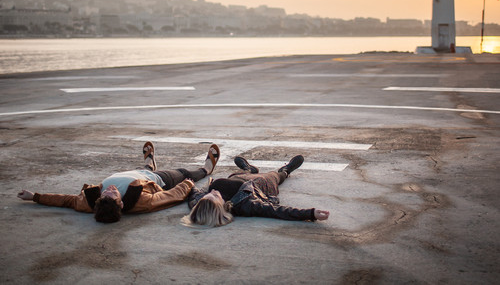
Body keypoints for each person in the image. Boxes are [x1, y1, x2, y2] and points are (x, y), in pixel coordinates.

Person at [18, 142, 220, 223]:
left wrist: (34, 196)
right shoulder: (142, 202)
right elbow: (171, 195)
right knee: (185, 172)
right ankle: (206, 168)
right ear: (121, 204)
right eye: (113, 194)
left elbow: (64, 200)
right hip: (160, 180)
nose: (110, 190)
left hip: (135, 173)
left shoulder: (89, 202)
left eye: (106, 193)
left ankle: (149, 164)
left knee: (144, 170)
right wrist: (186, 183)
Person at [184, 154, 329, 227]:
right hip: (261, 184)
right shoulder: (246, 205)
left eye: (207, 195)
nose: (212, 192)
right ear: (220, 209)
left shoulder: (199, 202)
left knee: (235, 175)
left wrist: (188, 184)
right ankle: (285, 170)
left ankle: (249, 169)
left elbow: (193, 193)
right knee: (274, 176)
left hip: (238, 177)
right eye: (214, 197)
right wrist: (311, 213)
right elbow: (276, 211)